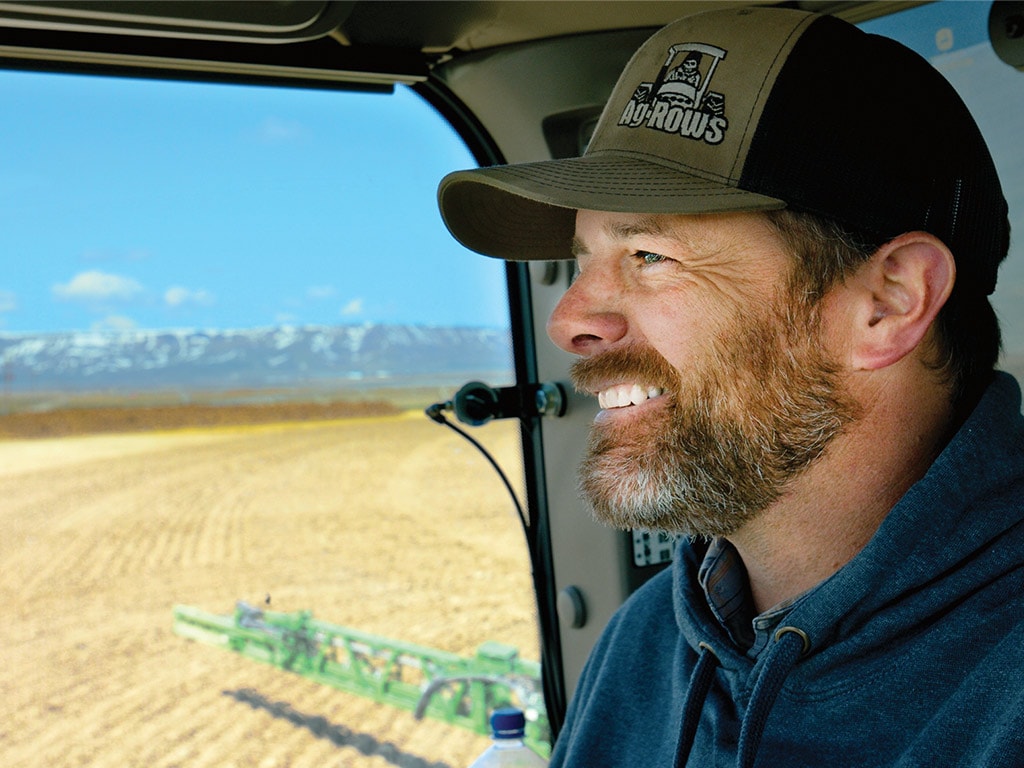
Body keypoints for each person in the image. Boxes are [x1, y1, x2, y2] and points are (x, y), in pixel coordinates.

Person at [437, 7, 1023, 768]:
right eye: (582, 259)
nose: (571, 320)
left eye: (649, 255)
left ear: (888, 303)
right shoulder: (647, 642)